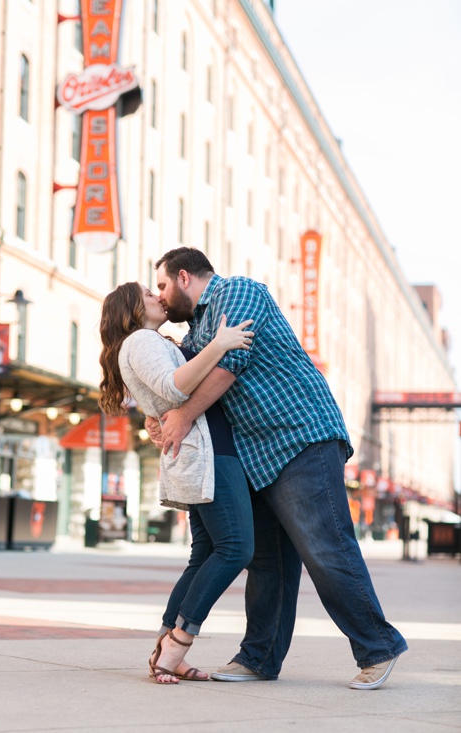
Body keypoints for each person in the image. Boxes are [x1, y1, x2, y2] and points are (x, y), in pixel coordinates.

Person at [149, 247, 407, 689]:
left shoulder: (239, 292)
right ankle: (259, 658)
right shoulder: (195, 335)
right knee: (269, 562)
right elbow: (180, 379)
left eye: (162, 285)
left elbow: (230, 365)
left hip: (301, 437)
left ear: (185, 276)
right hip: (256, 456)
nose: (161, 295)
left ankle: (378, 648)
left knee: (326, 549)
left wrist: (184, 414)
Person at [99, 282, 255, 684]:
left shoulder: (148, 340)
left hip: (208, 448)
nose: (159, 297)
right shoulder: (139, 340)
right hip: (208, 453)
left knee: (206, 551)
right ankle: (178, 642)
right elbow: (171, 386)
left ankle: (166, 644)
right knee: (235, 547)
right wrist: (220, 344)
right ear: (133, 308)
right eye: (151, 294)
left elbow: (165, 395)